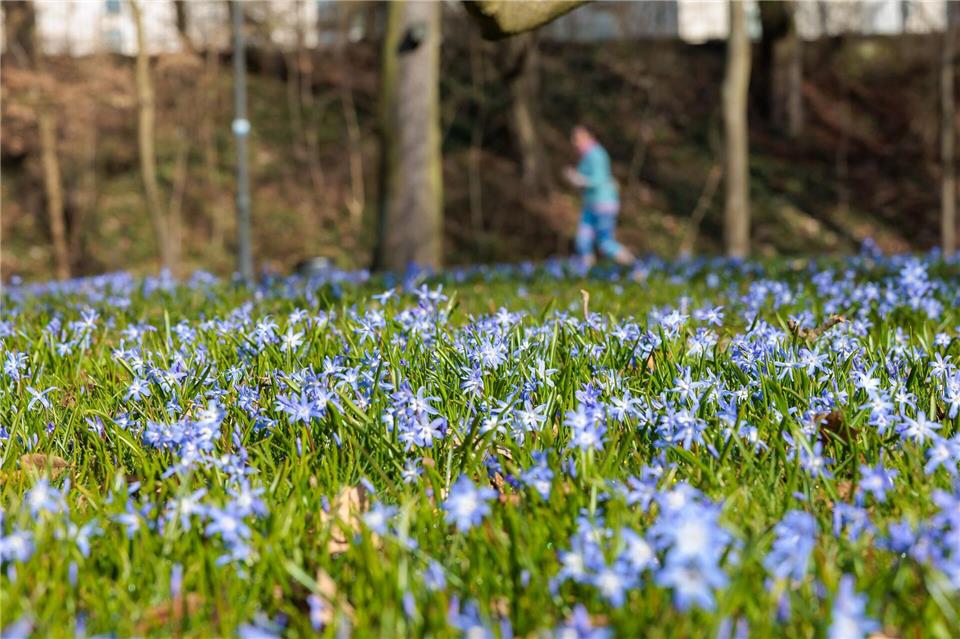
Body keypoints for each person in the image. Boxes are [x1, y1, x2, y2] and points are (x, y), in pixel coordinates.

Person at [564, 125, 634, 266]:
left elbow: (599, 178)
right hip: (590, 204)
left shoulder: (596, 154)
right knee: (582, 240)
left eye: (578, 138)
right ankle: (586, 271)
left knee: (605, 242)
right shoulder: (586, 155)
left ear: (590, 136)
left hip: (603, 204)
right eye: (574, 139)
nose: (575, 142)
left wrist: (580, 180)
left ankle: (633, 265)